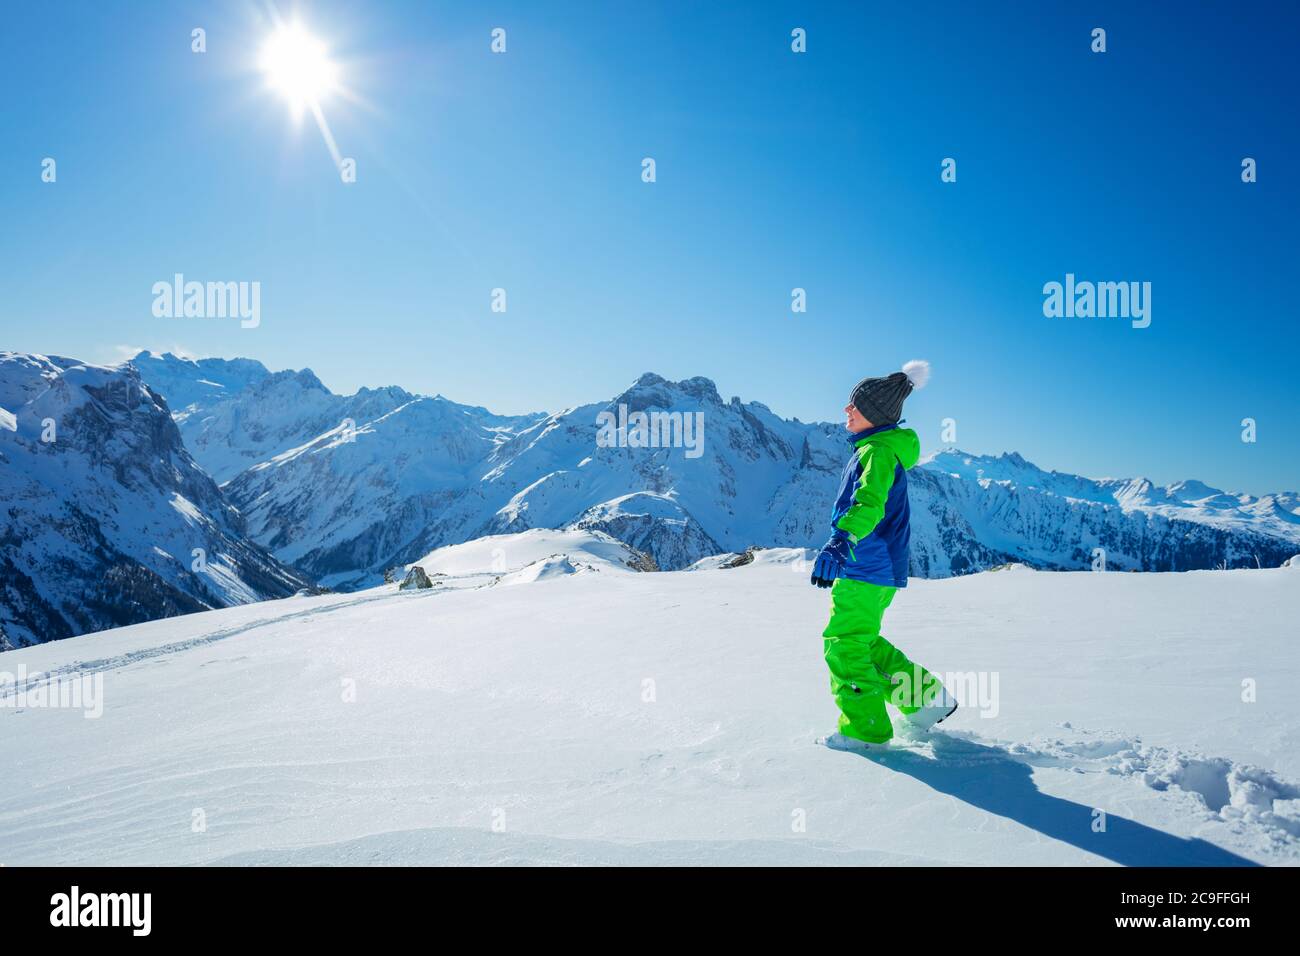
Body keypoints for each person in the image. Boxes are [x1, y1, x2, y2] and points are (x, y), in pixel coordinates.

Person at [811, 360, 957, 751]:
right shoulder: (882, 449)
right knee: (863, 640)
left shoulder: (875, 452)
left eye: (853, 406)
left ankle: (866, 732)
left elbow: (870, 503)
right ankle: (925, 700)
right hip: (878, 565)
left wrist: (842, 539)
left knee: (843, 644)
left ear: (873, 415)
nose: (846, 410)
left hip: (865, 561)